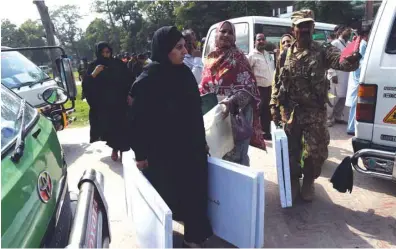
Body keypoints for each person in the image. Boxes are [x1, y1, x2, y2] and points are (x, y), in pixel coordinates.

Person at [127, 26, 215, 248]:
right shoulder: (147, 81)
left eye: (184, 46)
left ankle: (194, 235)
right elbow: (138, 123)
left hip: (191, 148)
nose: (185, 51)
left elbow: (195, 112)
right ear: (164, 49)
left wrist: (202, 141)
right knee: (167, 195)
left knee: (195, 192)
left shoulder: (184, 74)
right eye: (179, 47)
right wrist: (140, 155)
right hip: (163, 153)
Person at [270, 10, 360, 202]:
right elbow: (277, 81)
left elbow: (341, 61)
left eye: (308, 25)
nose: (304, 29)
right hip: (290, 113)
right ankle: (294, 180)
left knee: (313, 153)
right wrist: (273, 105)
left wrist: (351, 58)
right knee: (291, 152)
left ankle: (309, 180)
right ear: (293, 29)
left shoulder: (323, 50)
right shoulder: (284, 54)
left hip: (314, 112)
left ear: (313, 28)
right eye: (300, 25)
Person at [200, 21, 266, 167]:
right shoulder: (209, 59)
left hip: (235, 115)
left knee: (235, 159)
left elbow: (249, 88)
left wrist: (231, 102)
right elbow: (204, 87)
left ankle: (241, 187)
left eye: (231, 32)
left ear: (235, 38)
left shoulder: (239, 58)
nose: (226, 35)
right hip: (214, 116)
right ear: (216, 34)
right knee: (216, 155)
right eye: (223, 31)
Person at [82, 42, 131, 161]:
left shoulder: (118, 64)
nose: (105, 55)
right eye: (103, 53)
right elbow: (86, 85)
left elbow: (129, 79)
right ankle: (115, 149)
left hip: (120, 102)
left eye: (107, 52)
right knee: (111, 129)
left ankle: (121, 150)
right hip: (104, 104)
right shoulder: (93, 66)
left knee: (122, 127)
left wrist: (130, 94)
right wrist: (94, 73)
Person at [345, 23, 372, 136]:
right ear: (367, 34)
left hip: (356, 77)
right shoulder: (363, 44)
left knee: (356, 105)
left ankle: (352, 127)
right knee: (356, 105)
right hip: (358, 77)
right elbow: (361, 62)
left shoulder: (360, 43)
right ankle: (351, 128)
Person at [247, 33, 275, 140]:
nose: (261, 41)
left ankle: (266, 133)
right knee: (257, 112)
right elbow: (248, 73)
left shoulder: (267, 54)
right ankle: (254, 135)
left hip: (269, 88)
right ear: (255, 41)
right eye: (259, 39)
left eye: (263, 39)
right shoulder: (252, 56)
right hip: (259, 89)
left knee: (267, 111)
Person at [327, 25, 353, 126]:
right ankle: (328, 119)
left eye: (350, 32)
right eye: (347, 31)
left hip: (346, 75)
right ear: (341, 31)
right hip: (336, 75)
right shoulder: (335, 43)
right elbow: (329, 59)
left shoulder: (350, 44)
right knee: (332, 97)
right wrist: (332, 73)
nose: (349, 33)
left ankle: (338, 116)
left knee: (343, 97)